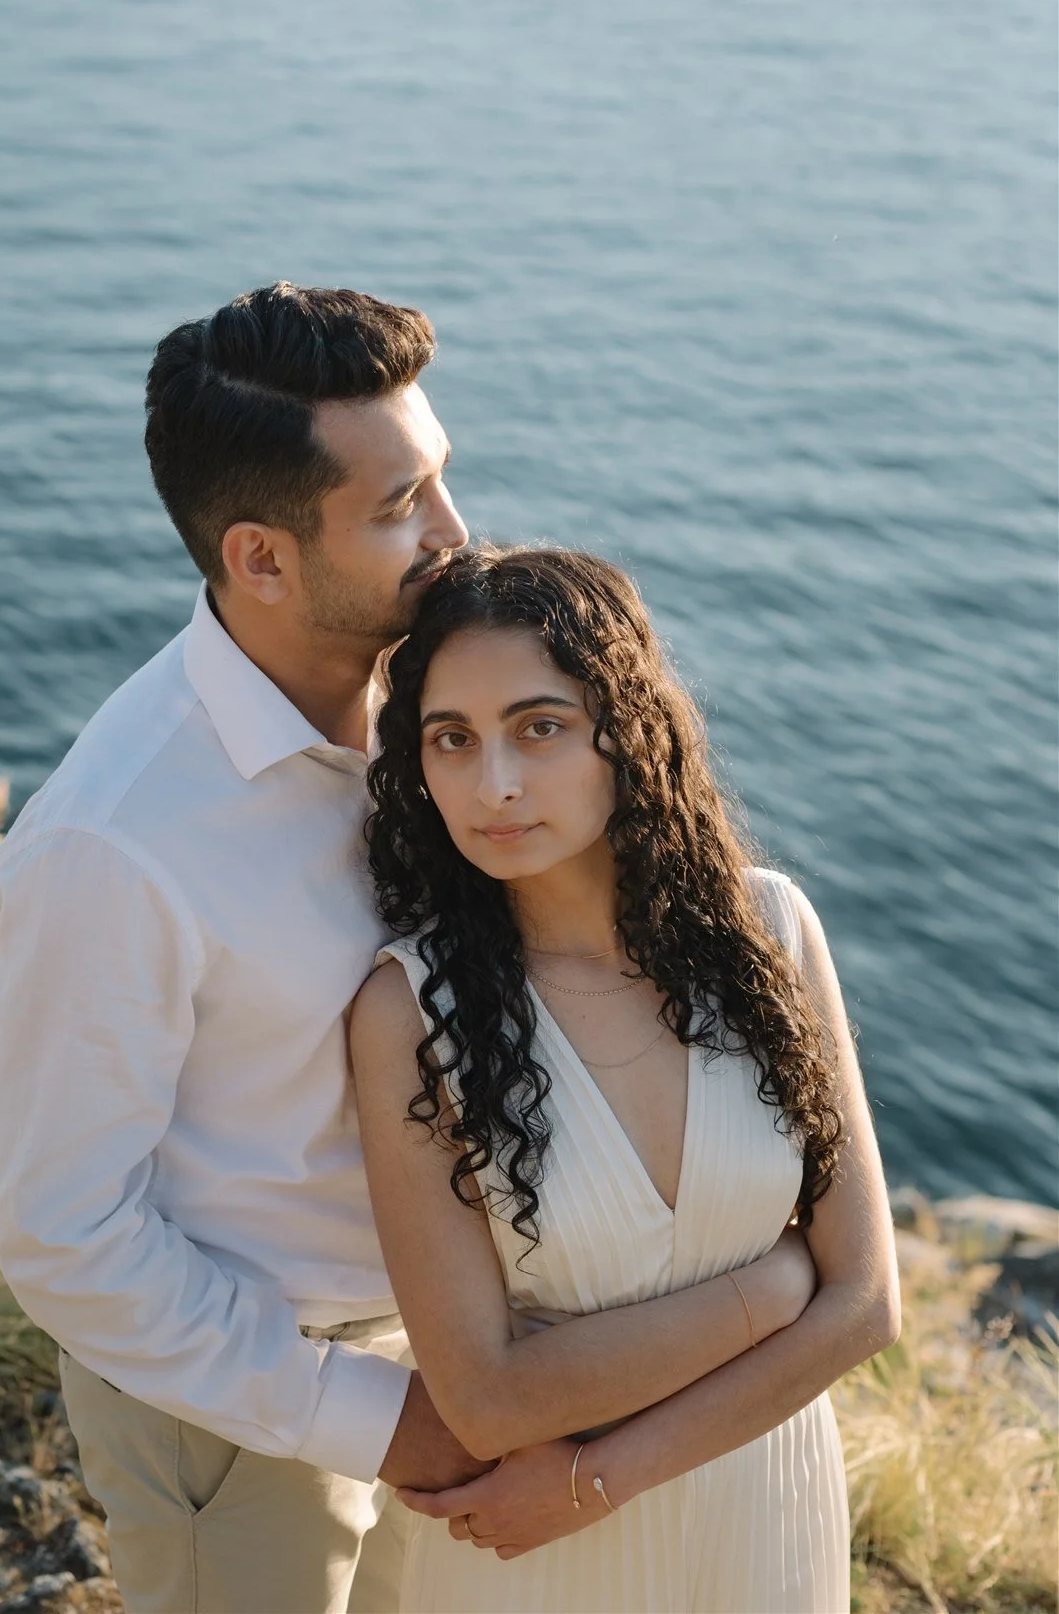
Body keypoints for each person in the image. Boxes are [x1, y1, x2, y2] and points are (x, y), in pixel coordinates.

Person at [0, 285, 818, 1614]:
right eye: (396, 509)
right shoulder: (114, 842)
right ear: (259, 558)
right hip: (260, 1418)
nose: (452, 535)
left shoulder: (446, 709)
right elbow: (61, 1236)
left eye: (439, 479)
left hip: (501, 1363)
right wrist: (370, 1414)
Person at [351, 545, 900, 1614]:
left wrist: (592, 1479)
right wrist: (770, 1287)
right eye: (450, 739)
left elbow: (867, 1304)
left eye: (538, 726)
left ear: (626, 726)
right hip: (532, 1563)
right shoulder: (408, 1012)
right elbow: (485, 1398)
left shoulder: (771, 931)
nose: (492, 782)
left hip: (759, 1513)